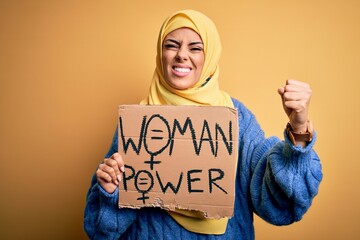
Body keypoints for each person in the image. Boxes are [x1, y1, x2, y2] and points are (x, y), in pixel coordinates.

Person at [84, 9, 322, 239]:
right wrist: (111, 192)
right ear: (160, 54)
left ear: (208, 58)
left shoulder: (236, 117)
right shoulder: (138, 122)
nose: (181, 55)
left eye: (195, 48)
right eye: (171, 45)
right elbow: (100, 231)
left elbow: (279, 204)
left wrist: (299, 129)